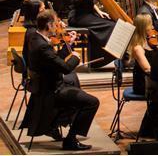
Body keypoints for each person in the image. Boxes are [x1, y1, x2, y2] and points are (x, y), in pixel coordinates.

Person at [20, 10, 99, 151]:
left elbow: (55, 61)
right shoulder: (43, 46)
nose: (58, 27)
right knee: (92, 102)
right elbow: (66, 68)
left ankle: (59, 122)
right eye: (55, 24)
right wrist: (76, 56)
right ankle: (70, 140)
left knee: (75, 86)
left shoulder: (35, 38)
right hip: (52, 91)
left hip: (46, 86)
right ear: (49, 25)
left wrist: (70, 45)